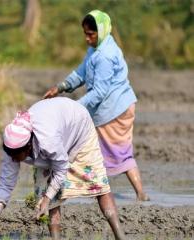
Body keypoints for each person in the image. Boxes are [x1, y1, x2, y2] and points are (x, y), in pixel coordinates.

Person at [0, 97, 125, 240]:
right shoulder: (11, 145)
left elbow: (61, 167)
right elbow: (7, 180)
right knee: (47, 191)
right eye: (11, 155)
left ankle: (120, 237)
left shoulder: (47, 139)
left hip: (79, 128)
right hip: (56, 129)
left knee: (98, 184)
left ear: (28, 146)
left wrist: (46, 199)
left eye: (17, 156)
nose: (13, 159)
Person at [44, 10, 149, 201]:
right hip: (111, 108)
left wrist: (74, 108)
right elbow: (81, 73)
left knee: (112, 150)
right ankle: (131, 193)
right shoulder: (96, 49)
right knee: (109, 150)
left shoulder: (105, 55)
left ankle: (133, 194)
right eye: (85, 34)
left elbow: (99, 92)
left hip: (115, 111)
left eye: (90, 34)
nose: (86, 38)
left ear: (101, 32)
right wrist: (60, 87)